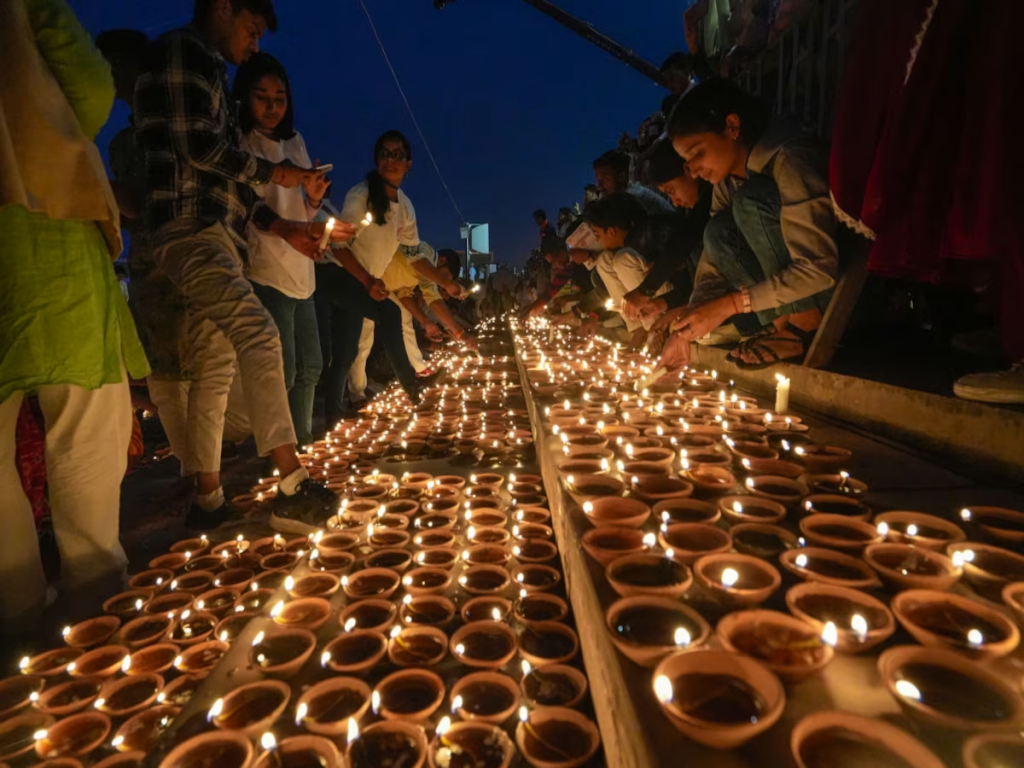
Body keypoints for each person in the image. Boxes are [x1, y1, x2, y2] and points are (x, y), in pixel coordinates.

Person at [135, 0, 355, 534]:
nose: (254, 44)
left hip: (217, 230)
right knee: (259, 336)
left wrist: (296, 221)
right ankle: (291, 483)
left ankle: (207, 500)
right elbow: (199, 149)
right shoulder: (184, 53)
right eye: (252, 30)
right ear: (223, 7)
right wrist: (277, 175)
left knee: (213, 367)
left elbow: (227, 179)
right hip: (191, 226)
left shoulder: (205, 65)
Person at [0, 0, 151, 630]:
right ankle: (94, 614)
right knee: (83, 434)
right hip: (43, 239)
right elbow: (87, 91)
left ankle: (18, 617)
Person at [656, 78, 837, 371]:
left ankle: (803, 323)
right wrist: (691, 319)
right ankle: (781, 323)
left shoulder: (790, 158)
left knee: (751, 201)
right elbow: (714, 255)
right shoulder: (727, 182)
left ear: (731, 126)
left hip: (829, 288)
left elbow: (818, 268)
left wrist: (729, 305)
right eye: (686, 162)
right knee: (716, 231)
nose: (693, 171)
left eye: (696, 153)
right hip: (786, 295)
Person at [97, 29, 197, 482]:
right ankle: (191, 466)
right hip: (151, 270)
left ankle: (203, 464)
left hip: (190, 262)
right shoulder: (120, 146)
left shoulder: (177, 129)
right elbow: (131, 209)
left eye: (121, 67)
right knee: (167, 377)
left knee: (200, 372)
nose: (118, 79)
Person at [319, 131, 447, 424]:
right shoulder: (361, 195)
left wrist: (445, 282)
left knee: (347, 346)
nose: (391, 160)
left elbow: (414, 254)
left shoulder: (405, 207)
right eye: (385, 154)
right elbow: (338, 247)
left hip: (362, 280)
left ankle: (332, 411)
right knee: (389, 312)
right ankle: (411, 384)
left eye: (397, 155)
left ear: (409, 164)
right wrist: (367, 281)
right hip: (338, 273)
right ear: (377, 160)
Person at [234, 52, 328, 448]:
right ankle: (278, 455)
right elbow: (249, 206)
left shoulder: (296, 142)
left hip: (302, 271)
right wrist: (288, 228)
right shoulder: (242, 143)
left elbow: (300, 209)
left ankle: (302, 444)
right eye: (262, 97)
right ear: (243, 97)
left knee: (311, 367)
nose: (272, 107)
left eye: (280, 98)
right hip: (267, 270)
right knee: (282, 371)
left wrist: (314, 200)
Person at [620, 137, 713, 324]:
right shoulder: (688, 213)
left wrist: (646, 290)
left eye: (671, 191)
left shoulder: (710, 203)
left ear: (689, 170)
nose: (675, 201)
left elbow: (686, 238)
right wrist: (661, 304)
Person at [592, 149, 673, 215]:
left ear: (622, 176)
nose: (599, 186)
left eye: (605, 178)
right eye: (597, 180)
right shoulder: (623, 195)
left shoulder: (633, 200)